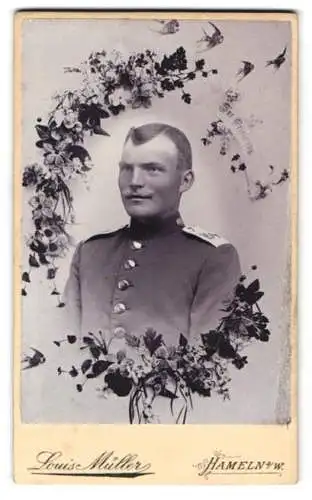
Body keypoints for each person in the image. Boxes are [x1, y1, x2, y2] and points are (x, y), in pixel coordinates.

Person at [63, 122, 241, 347]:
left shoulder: (213, 258)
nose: (135, 182)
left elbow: (207, 366)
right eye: (126, 169)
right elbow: (63, 349)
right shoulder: (89, 252)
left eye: (152, 169)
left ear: (185, 181)